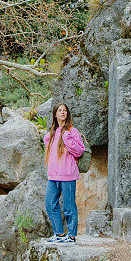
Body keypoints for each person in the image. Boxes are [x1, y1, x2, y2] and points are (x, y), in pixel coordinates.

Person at [43, 102, 85, 244]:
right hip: (53, 175)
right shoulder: (52, 133)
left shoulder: (72, 131)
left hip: (68, 175)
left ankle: (72, 236)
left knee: (68, 206)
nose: (62, 112)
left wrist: (66, 138)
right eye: (60, 110)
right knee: (50, 203)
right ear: (55, 114)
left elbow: (80, 150)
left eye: (65, 110)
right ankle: (59, 234)